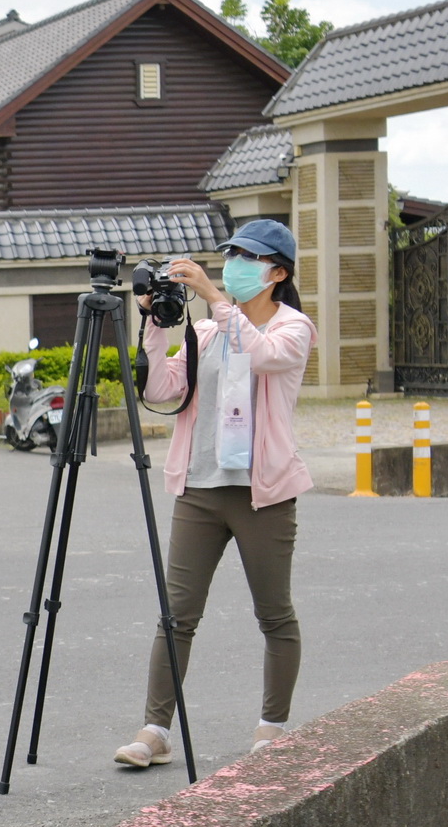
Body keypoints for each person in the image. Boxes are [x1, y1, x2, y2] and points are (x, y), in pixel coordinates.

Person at [113, 218, 315, 769]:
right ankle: (155, 730)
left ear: (277, 272)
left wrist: (210, 294)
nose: (235, 265)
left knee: (274, 614)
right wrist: (155, 325)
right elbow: (161, 389)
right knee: (176, 615)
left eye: (248, 258)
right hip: (200, 488)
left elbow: (261, 354)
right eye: (232, 256)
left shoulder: (293, 328)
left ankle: (272, 726)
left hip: (263, 493)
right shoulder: (203, 333)